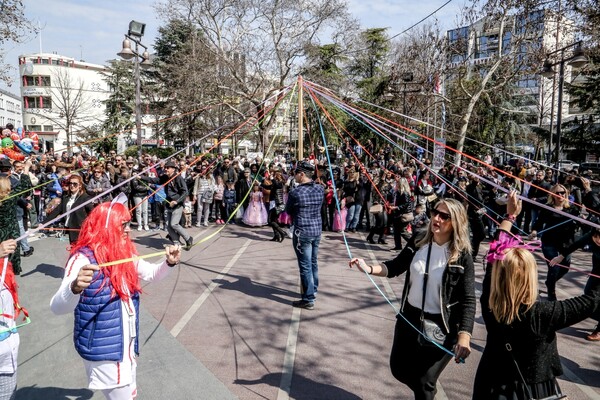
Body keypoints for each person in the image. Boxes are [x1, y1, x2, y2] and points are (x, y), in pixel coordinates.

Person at [472, 191, 600, 399]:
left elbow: (495, 253)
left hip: (491, 385)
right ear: (530, 277)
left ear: (497, 275)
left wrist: (510, 217)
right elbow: (593, 299)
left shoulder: (490, 302)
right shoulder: (545, 313)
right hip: (533, 390)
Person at [49, 198, 181, 400]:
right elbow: (57, 307)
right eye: (123, 225)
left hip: (124, 346)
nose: (128, 230)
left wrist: (168, 263)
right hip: (104, 351)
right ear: (106, 226)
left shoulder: (124, 252)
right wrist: (74, 287)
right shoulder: (82, 258)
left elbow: (152, 274)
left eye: (128, 224)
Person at [349, 198, 475, 400]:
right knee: (399, 369)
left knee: (425, 381)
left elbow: (469, 298)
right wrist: (368, 268)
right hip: (410, 317)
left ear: (456, 221)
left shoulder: (462, 255)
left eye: (444, 216)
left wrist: (465, 335)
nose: (437, 218)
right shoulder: (418, 239)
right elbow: (396, 266)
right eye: (435, 212)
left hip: (443, 325)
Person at [529, 184, 580, 301]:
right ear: (552, 194)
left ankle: (549, 282)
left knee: (565, 269)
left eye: (562, 192)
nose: (560, 195)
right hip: (549, 242)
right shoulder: (547, 208)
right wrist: (534, 231)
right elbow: (538, 222)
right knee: (554, 267)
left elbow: (580, 222)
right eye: (557, 193)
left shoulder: (572, 209)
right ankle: (551, 293)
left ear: (566, 194)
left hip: (566, 243)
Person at [285, 161, 324, 310]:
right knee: (313, 262)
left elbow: (288, 211)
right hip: (316, 230)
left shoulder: (295, 193)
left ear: (302, 174)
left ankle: (308, 299)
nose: (294, 176)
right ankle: (312, 291)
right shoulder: (320, 189)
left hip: (302, 233)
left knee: (305, 265)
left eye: (296, 173)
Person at [549, 227, 600, 341]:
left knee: (597, 298)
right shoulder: (590, 235)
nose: (598, 241)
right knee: (589, 293)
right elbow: (575, 244)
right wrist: (560, 257)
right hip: (597, 269)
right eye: (596, 238)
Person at [143, 160, 193, 250]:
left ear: (173, 169)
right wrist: (141, 177)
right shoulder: (165, 177)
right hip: (168, 204)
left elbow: (185, 192)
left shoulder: (178, 178)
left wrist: (177, 201)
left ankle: (188, 238)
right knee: (168, 226)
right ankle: (176, 242)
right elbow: (155, 180)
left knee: (174, 224)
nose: (166, 169)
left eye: (168, 168)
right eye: (165, 167)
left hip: (177, 205)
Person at [47, 173, 93, 244]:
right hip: (71, 229)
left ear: (80, 185)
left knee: (80, 252)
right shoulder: (66, 197)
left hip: (81, 229)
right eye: (70, 183)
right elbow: (57, 210)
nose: (72, 185)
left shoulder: (85, 198)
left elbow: (92, 213)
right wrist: (44, 223)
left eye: (75, 184)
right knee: (73, 249)